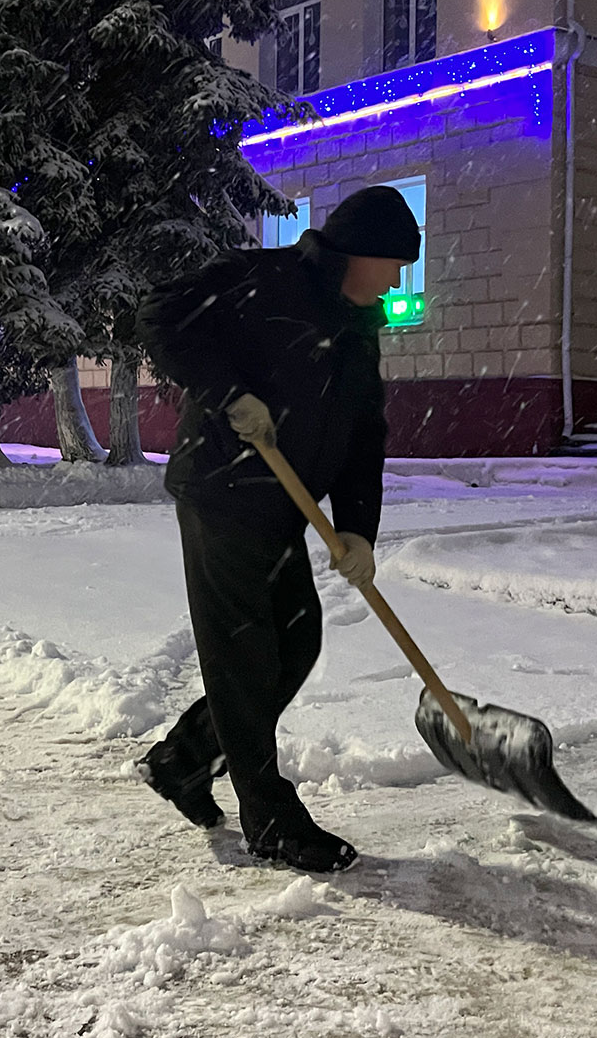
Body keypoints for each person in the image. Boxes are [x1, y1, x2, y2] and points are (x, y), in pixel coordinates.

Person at [133, 185, 417, 874]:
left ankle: (183, 759)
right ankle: (270, 820)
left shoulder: (357, 326)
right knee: (245, 656)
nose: (397, 281)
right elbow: (161, 313)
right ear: (362, 252)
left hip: (283, 509)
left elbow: (364, 435)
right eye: (394, 265)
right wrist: (229, 395)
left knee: (296, 643)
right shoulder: (264, 277)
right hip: (222, 492)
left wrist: (359, 531)